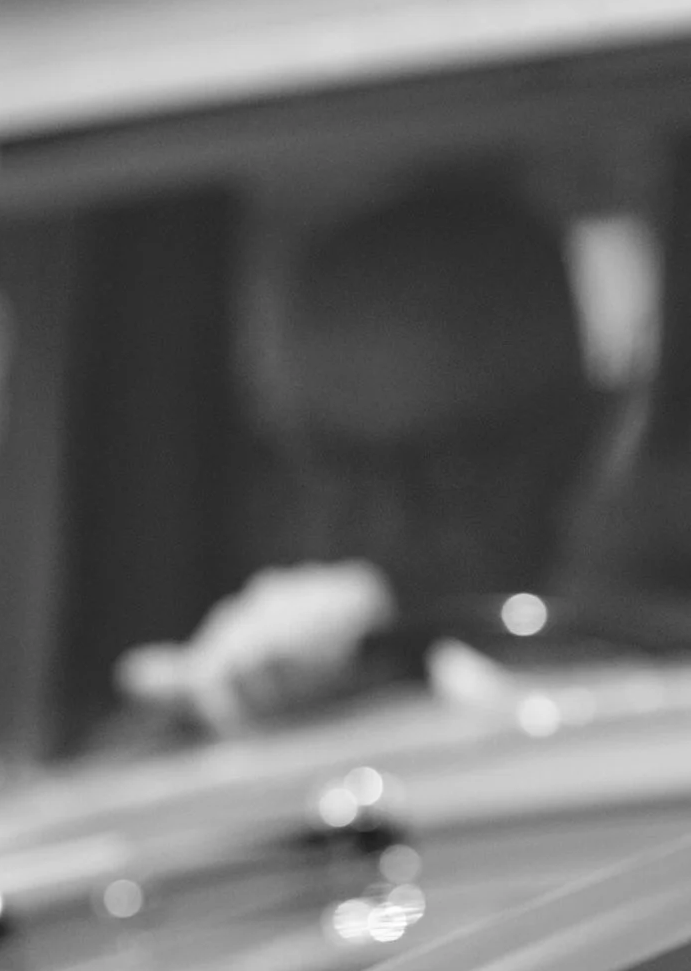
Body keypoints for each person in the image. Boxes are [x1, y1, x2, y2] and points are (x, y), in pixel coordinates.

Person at [118, 171, 601, 732]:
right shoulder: (256, 671)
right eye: (340, 467)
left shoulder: (651, 671)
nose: (390, 520)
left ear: (576, 444)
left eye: (451, 470)